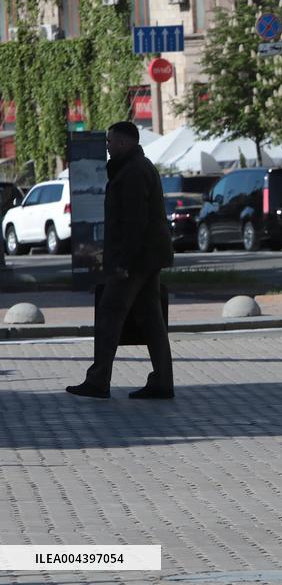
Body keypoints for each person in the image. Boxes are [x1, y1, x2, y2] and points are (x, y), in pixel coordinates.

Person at [66, 121, 175, 400]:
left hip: (134, 261)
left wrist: (124, 261)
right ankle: (162, 381)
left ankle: (98, 380)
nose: (108, 146)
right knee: (151, 320)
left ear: (125, 143)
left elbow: (134, 222)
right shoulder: (137, 167)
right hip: (147, 258)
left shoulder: (133, 172)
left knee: (109, 315)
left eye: (111, 141)